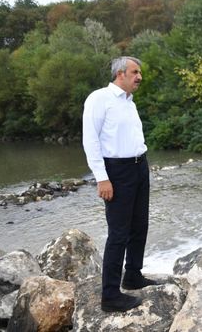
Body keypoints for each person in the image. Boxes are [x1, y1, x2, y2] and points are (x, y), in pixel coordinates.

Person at [82, 56, 157, 313]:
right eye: (135, 72)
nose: (140, 77)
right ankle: (111, 295)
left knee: (140, 225)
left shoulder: (129, 102)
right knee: (118, 234)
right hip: (117, 171)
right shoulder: (99, 99)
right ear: (120, 74)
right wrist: (102, 177)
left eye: (140, 73)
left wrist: (142, 168)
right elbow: (90, 140)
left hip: (139, 166)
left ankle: (133, 275)